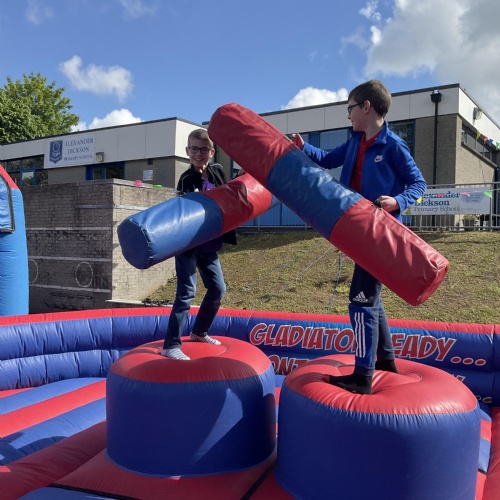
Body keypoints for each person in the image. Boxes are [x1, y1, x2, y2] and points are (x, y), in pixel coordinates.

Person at [290, 80, 426, 394]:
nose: (348, 114)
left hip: (380, 234)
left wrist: (397, 201)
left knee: (360, 300)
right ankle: (386, 362)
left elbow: (418, 184)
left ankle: (363, 376)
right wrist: (303, 147)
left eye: (350, 108)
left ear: (366, 107)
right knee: (371, 298)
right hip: (357, 231)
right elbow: (327, 159)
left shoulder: (393, 146)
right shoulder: (354, 140)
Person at [160, 128, 236, 360]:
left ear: (211, 152)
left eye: (204, 149)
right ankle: (170, 345)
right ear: (187, 151)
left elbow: (228, 193)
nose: (198, 154)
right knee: (186, 292)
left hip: (209, 243)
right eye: (194, 149)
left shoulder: (218, 171)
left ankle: (199, 332)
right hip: (188, 244)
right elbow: (184, 210)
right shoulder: (186, 178)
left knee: (218, 288)